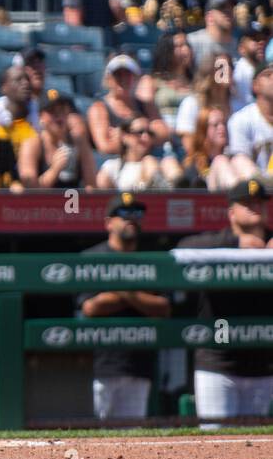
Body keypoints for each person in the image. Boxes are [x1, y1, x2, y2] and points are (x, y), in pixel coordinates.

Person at [176, 178, 273, 427]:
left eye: (259, 202)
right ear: (231, 212)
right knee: (215, 440)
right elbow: (181, 250)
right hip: (218, 361)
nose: (254, 206)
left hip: (263, 364)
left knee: (258, 446)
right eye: (246, 202)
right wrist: (236, 244)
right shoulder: (216, 241)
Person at [77, 193, 169, 420]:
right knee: (93, 438)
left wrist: (121, 291)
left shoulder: (151, 258)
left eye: (137, 214)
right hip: (100, 364)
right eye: (123, 214)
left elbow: (162, 308)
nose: (131, 219)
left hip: (139, 364)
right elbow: (91, 307)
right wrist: (137, 295)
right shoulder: (91, 257)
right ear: (108, 222)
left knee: (131, 439)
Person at [18, 88, 98, 188]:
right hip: (42, 202)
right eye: (52, 112)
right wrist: (54, 170)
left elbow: (91, 184)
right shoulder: (32, 143)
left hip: (73, 201)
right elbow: (29, 189)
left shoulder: (78, 141)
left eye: (62, 110)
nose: (58, 116)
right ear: (40, 117)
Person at [227, 65, 273, 179]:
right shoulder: (241, 119)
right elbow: (240, 162)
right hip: (254, 189)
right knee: (238, 160)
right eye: (268, 75)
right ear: (255, 86)